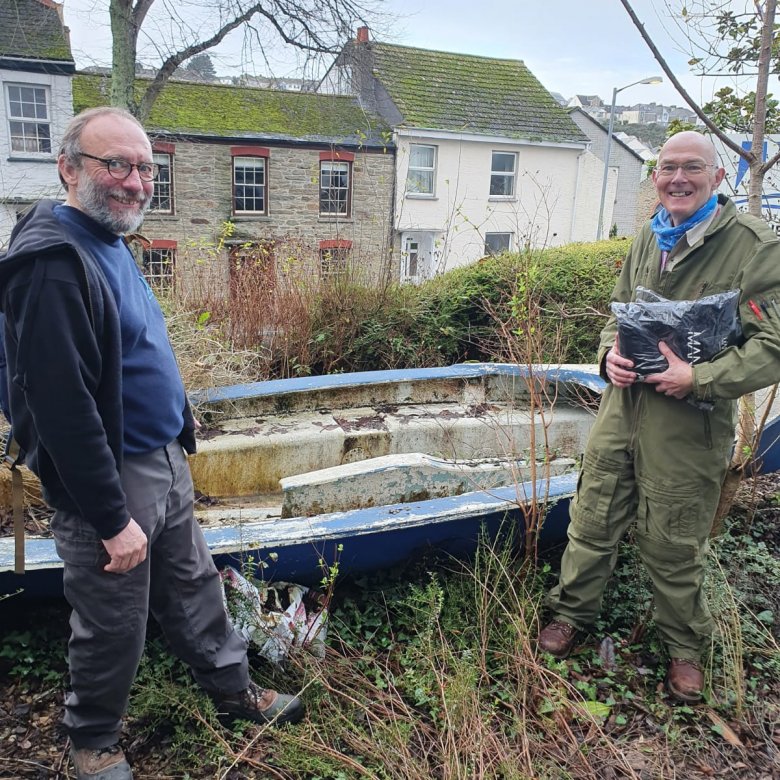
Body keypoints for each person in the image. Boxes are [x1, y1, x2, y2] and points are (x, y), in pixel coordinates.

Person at [0, 107, 303, 780]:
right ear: (69, 168)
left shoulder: (106, 239)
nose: (135, 182)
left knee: (194, 587)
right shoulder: (51, 263)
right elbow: (60, 409)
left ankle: (235, 694)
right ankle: (93, 744)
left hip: (161, 458)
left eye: (144, 168)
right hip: (111, 476)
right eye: (117, 165)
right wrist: (111, 519)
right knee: (113, 623)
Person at [539, 131, 780, 702]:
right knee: (592, 521)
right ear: (656, 178)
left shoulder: (754, 245)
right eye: (667, 168)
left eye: (692, 168)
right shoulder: (650, 235)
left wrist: (698, 378)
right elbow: (616, 312)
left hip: (687, 424)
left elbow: (773, 343)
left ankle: (684, 649)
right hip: (622, 412)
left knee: (673, 542)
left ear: (718, 178)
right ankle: (570, 615)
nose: (678, 178)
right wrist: (608, 357)